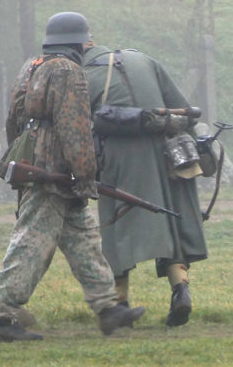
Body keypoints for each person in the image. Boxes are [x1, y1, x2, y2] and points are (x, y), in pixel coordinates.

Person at [0, 12, 145, 341]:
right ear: (77, 43)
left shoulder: (32, 67)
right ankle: (2, 316)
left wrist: (23, 155)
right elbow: (75, 128)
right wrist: (85, 172)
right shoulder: (68, 71)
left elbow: (13, 119)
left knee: (83, 239)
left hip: (38, 162)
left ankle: (108, 308)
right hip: (56, 170)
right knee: (31, 243)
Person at [82, 38, 208, 327]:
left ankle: (120, 302)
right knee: (170, 222)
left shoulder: (82, 76)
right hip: (167, 154)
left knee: (114, 228)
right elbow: (185, 112)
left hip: (119, 159)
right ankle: (181, 290)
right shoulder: (143, 60)